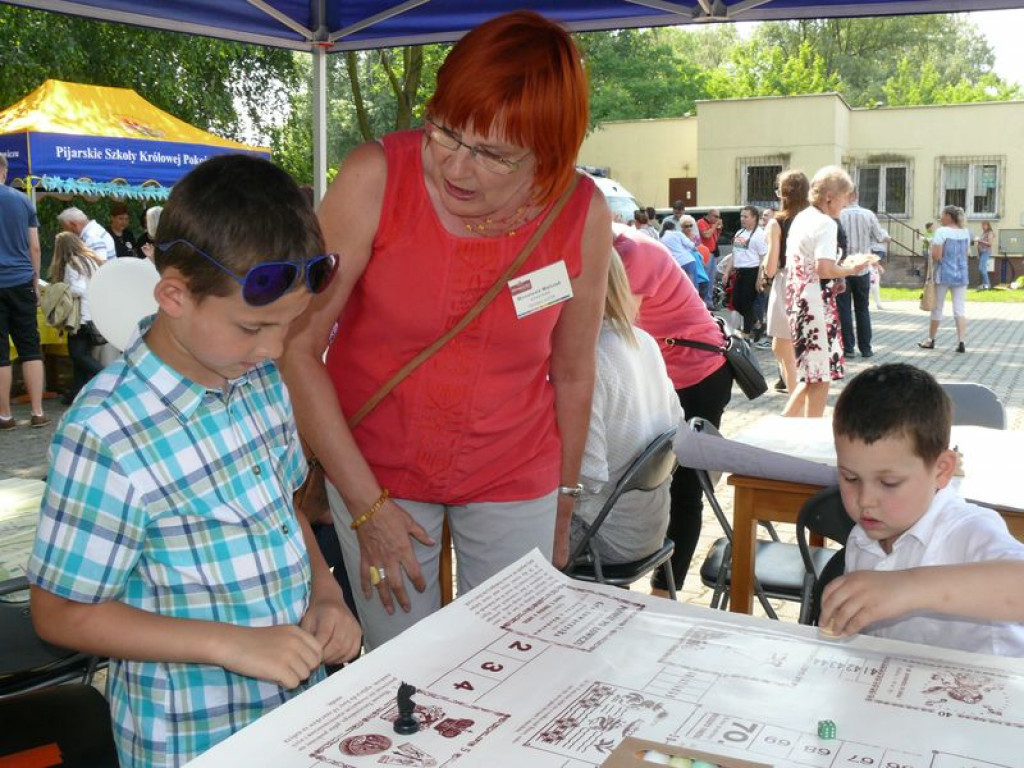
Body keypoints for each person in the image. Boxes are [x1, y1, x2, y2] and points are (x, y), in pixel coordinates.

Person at [280, 11, 611, 651]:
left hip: (516, 469)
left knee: (515, 656)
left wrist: (564, 498)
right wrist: (366, 506)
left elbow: (573, 371)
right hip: (375, 471)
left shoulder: (580, 211)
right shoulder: (376, 177)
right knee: (406, 662)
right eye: (447, 131)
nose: (458, 168)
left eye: (494, 155)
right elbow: (296, 346)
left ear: (548, 153)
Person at [27, 155, 362, 767]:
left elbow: (282, 508)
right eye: (253, 328)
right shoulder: (105, 433)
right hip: (192, 735)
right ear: (174, 294)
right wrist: (227, 643)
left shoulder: (257, 380)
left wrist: (325, 592)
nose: (274, 349)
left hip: (294, 715)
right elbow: (59, 612)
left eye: (288, 326)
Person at [821, 363, 1024, 656]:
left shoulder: (968, 529)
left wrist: (908, 586)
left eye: (889, 483)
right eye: (850, 478)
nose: (865, 500)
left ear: (941, 470)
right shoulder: (862, 538)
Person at [612, 225, 733, 596]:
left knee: (684, 490)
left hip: (699, 375)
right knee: (640, 480)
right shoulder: (603, 246)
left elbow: (610, 326)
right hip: (661, 376)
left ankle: (665, 594)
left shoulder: (630, 252)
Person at [570, 248, 682, 564]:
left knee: (498, 526)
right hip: (649, 524)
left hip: (605, 535)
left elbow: (587, 479)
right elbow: (678, 424)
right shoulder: (642, 340)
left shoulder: (587, 359)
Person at [782, 166, 875, 418]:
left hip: (798, 300)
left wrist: (837, 275)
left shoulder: (803, 217)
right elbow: (823, 268)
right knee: (820, 378)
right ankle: (808, 432)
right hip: (815, 307)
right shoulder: (826, 223)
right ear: (830, 197)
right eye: (845, 197)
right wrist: (852, 269)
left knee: (810, 377)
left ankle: (783, 426)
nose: (846, 204)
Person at [0, 154, 48, 429]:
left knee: (0, 353)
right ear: (4, 172)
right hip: (21, 281)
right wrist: (35, 281)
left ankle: (5, 415)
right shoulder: (22, 201)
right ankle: (37, 411)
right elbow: (35, 247)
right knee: (30, 348)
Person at [763, 170, 808, 395]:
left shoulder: (777, 223)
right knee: (784, 348)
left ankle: (796, 402)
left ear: (783, 193)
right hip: (812, 283)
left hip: (787, 282)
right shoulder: (816, 219)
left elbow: (771, 268)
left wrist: (764, 266)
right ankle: (798, 398)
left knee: (783, 350)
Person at [47, 232, 105, 403]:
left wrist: (61, 289)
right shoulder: (90, 260)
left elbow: (78, 289)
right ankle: (76, 394)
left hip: (80, 318)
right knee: (81, 357)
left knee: (78, 356)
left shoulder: (72, 264)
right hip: (93, 314)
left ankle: (108, 376)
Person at [837, 188, 889, 359]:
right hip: (863, 268)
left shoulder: (839, 215)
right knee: (862, 309)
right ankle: (866, 348)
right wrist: (886, 236)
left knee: (844, 309)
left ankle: (848, 348)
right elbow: (880, 236)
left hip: (843, 268)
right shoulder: (868, 214)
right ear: (857, 196)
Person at [918, 205, 970, 354]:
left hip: (944, 274)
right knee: (959, 308)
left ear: (948, 216)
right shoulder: (965, 232)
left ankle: (931, 340)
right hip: (961, 274)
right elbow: (966, 254)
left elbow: (937, 256)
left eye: (942, 215)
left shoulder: (941, 232)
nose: (940, 218)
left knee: (937, 308)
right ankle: (961, 341)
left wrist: (931, 249)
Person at [729, 205, 767, 338]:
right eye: (741, 216)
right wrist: (727, 271)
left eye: (746, 217)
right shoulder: (740, 233)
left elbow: (763, 258)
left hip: (753, 271)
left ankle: (746, 332)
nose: (742, 219)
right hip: (740, 271)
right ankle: (758, 323)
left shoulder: (760, 235)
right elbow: (735, 253)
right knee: (736, 302)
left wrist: (759, 278)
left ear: (754, 218)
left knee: (747, 303)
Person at [976, 220, 995, 290]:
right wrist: (978, 253)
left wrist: (980, 241)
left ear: (988, 226)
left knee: (982, 268)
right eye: (982, 225)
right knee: (982, 268)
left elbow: (990, 243)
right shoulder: (983, 233)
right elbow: (979, 244)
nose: (983, 227)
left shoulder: (990, 233)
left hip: (986, 252)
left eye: (984, 225)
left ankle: (987, 284)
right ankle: (985, 285)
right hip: (981, 253)